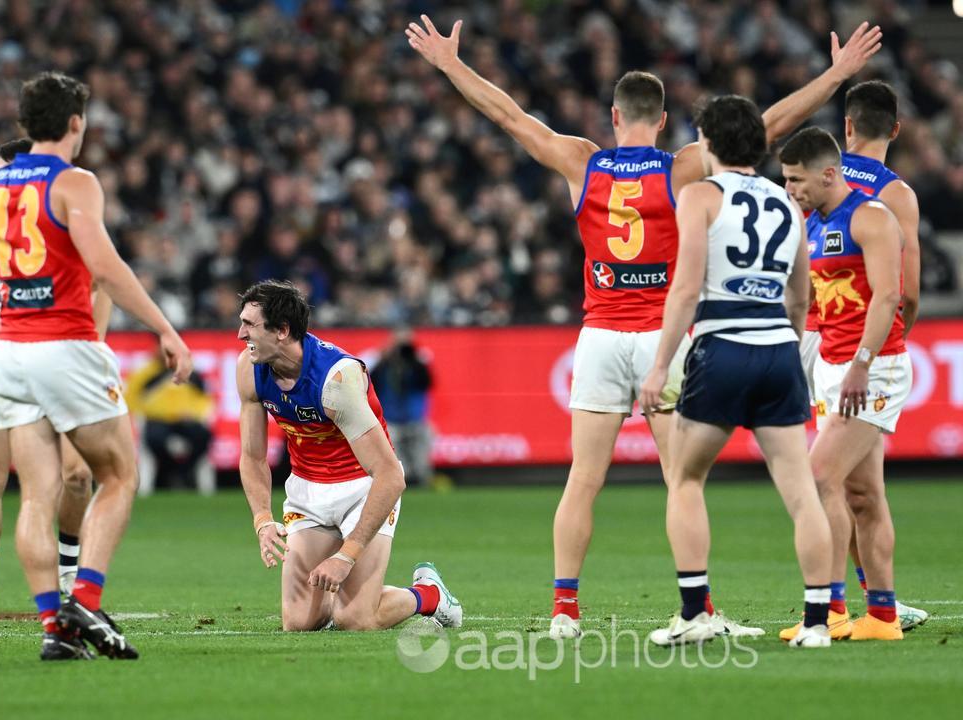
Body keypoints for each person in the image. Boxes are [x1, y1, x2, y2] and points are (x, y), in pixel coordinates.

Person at [407, 14, 881, 639]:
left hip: (600, 337)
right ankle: (700, 610)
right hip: (667, 338)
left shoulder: (582, 162)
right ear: (661, 120)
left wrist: (450, 65)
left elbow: (509, 116)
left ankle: (564, 613)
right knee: (680, 479)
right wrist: (837, 75)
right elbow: (763, 129)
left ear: (612, 116)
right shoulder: (684, 167)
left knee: (584, 477)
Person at [0, 71, 193, 661]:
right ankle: (84, 597)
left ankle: (54, 630)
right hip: (68, 344)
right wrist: (163, 327)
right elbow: (105, 269)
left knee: (36, 495)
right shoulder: (74, 182)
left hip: (14, 358)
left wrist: (1, 332)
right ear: (76, 123)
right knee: (119, 475)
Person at [638, 96, 831, 648]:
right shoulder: (785, 201)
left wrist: (658, 366)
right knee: (801, 494)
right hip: (776, 350)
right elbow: (801, 296)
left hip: (721, 348)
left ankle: (694, 612)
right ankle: (817, 623)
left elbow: (686, 287)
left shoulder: (699, 195)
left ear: (709, 142)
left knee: (686, 478)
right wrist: (785, 350)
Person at [235, 280, 461, 632]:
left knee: (355, 619)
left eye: (249, 325)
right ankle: (341, 600)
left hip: (363, 488)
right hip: (308, 490)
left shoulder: (335, 379)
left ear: (282, 330)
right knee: (299, 623)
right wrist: (262, 519)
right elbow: (252, 457)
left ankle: (429, 595)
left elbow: (390, 476)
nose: (239, 334)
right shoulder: (249, 368)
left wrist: (345, 556)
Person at [794, 81, 928, 632]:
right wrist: (891, 336)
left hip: (824, 348)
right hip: (850, 347)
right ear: (895, 130)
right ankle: (869, 607)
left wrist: (870, 354)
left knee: (829, 478)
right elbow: (909, 290)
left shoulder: (815, 187)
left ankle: (837, 608)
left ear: (845, 127)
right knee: (855, 486)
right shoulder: (895, 196)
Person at [0, 137, 105, 615]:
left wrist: (89, 344)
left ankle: (65, 571)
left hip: (61, 360)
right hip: (1, 366)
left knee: (78, 476)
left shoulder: (58, 221)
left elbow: (100, 282)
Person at [125, 349, 215, 490]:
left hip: (186, 420)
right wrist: (152, 412)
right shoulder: (146, 372)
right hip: (157, 419)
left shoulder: (191, 373)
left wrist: (193, 413)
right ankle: (169, 474)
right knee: (155, 439)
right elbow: (132, 399)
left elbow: (205, 400)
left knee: (203, 436)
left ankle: (182, 472)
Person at [369, 327, 434, 487]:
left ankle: (422, 481)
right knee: (395, 461)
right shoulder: (384, 366)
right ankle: (401, 482)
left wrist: (414, 358)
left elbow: (427, 382)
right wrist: (385, 357)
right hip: (391, 420)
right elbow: (371, 383)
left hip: (415, 418)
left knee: (421, 461)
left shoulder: (417, 365)